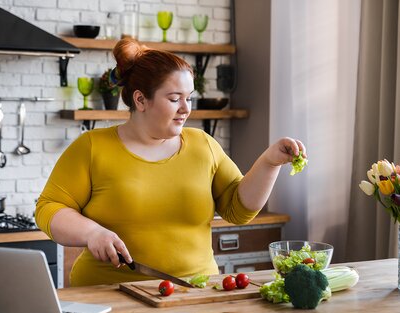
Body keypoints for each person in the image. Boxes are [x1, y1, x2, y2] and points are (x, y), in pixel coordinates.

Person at [35, 38, 307, 287]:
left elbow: (238, 209)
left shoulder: (203, 145)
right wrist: (91, 232)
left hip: (196, 291)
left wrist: (270, 162)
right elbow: (48, 209)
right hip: (110, 293)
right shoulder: (92, 147)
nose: (186, 108)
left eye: (189, 98)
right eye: (175, 99)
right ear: (141, 99)